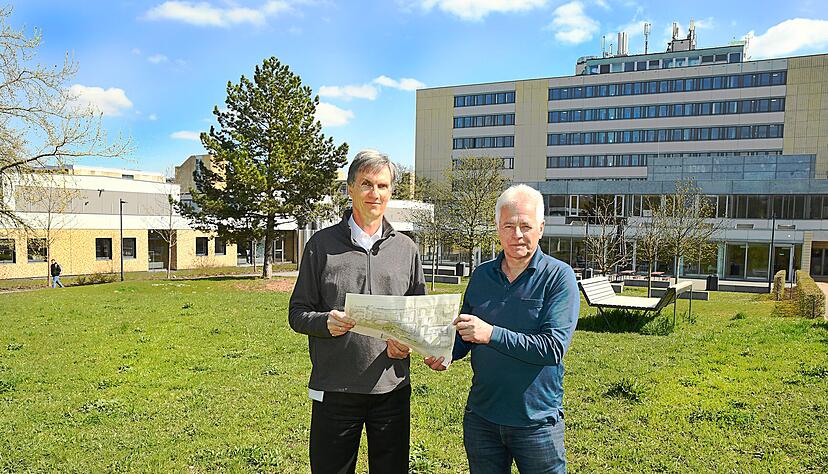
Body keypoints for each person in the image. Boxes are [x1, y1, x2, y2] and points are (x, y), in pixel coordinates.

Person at [425, 184, 579, 473]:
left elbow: (553, 348)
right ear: (497, 228)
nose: (517, 235)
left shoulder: (559, 277)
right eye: (508, 225)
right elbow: (465, 332)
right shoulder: (483, 275)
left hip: (536, 422)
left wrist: (492, 333)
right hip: (482, 418)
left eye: (525, 226)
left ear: (542, 228)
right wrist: (443, 353)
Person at [289, 149, 426, 473]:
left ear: (390, 192)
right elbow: (297, 313)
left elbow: (420, 317)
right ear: (350, 189)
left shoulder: (407, 249)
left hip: (391, 388)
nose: (374, 193)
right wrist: (325, 322)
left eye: (382, 185)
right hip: (335, 389)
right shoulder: (320, 246)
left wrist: (410, 342)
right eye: (366, 184)